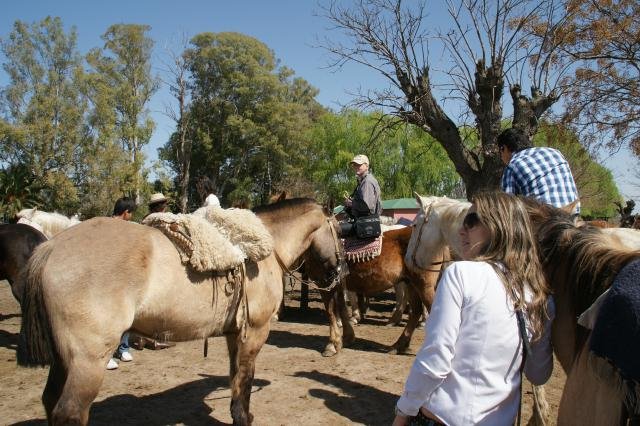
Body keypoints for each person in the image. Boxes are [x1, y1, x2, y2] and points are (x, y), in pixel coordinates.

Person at [393, 191, 554, 426]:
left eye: (470, 222)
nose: (460, 231)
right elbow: (538, 374)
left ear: (497, 226)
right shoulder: (541, 296)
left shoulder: (461, 274)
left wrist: (403, 411)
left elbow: (436, 359)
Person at [498, 127, 580, 214]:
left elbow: (507, 209)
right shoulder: (555, 153)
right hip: (572, 213)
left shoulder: (513, 165)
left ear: (503, 148)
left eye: (500, 153)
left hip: (545, 219)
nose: (502, 158)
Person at [107, 197, 137, 370]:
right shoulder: (110, 227)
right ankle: (107, 354)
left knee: (126, 316)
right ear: (126, 213)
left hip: (124, 278)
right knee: (112, 318)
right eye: (131, 213)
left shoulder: (126, 228)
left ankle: (123, 348)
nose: (131, 216)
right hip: (111, 279)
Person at [340, 154, 382, 237]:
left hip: (366, 222)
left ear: (366, 166)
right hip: (365, 221)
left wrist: (351, 203)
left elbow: (366, 206)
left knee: (334, 230)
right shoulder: (364, 180)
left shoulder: (367, 182)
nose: (356, 167)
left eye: (359, 164)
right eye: (355, 165)